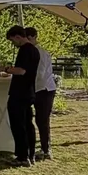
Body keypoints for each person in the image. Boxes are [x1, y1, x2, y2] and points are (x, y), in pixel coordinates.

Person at [2, 25, 40, 166]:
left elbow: (21, 71)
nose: (13, 44)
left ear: (18, 37)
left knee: (18, 125)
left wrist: (6, 69)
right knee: (28, 124)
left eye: (13, 41)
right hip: (29, 91)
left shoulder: (25, 50)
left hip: (20, 92)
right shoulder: (35, 51)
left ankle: (22, 157)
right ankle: (31, 154)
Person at [25, 26, 57, 159]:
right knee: (37, 119)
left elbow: (41, 74)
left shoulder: (41, 53)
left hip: (44, 89)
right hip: (37, 88)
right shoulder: (31, 51)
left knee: (42, 120)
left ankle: (46, 150)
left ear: (32, 37)